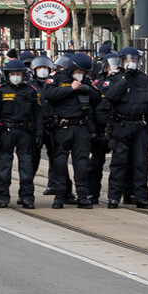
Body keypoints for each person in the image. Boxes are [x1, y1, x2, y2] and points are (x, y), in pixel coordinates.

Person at [100, 47, 148, 208]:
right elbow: (110, 97)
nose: (131, 63)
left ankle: (141, 196)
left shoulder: (145, 80)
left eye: (134, 60)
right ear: (121, 62)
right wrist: (125, 79)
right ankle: (114, 196)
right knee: (119, 163)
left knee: (141, 163)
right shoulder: (114, 78)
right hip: (121, 126)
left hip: (140, 126)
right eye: (128, 60)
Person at [39, 52, 98, 208]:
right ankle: (60, 196)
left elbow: (97, 98)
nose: (81, 75)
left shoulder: (86, 80)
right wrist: (70, 89)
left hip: (80, 127)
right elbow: (48, 94)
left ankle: (83, 196)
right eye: (79, 72)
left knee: (82, 163)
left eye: (83, 72)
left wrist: (87, 89)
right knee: (59, 163)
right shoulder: (57, 78)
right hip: (62, 127)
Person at [0, 57, 42, 208]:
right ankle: (3, 197)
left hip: (25, 132)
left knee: (26, 166)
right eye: (12, 73)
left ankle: (27, 197)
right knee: (4, 166)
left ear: (23, 74)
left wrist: (39, 134)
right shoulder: (0, 91)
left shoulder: (31, 91)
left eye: (18, 73)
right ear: (7, 75)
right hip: (6, 131)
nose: (15, 76)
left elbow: (38, 115)